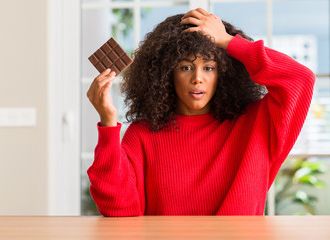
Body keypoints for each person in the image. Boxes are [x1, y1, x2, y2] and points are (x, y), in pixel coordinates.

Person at [86, 8, 315, 216]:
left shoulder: (256, 123)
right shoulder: (143, 134)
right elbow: (118, 208)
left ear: (223, 73)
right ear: (167, 74)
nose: (197, 78)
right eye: (185, 67)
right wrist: (108, 122)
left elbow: (301, 79)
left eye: (209, 67)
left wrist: (228, 42)